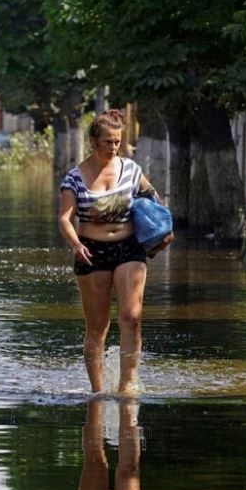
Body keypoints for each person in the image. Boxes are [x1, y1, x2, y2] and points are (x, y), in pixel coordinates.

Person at [57, 109, 173, 396]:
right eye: (108, 141)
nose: (114, 147)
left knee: (131, 317)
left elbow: (153, 201)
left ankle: (127, 385)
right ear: (94, 142)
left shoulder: (132, 170)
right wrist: (76, 245)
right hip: (91, 252)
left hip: (128, 248)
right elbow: (64, 219)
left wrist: (162, 232)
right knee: (97, 327)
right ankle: (97, 392)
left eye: (118, 141)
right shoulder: (74, 178)